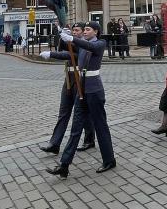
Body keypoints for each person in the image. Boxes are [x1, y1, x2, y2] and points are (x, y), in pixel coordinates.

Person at [41, 22, 116, 178]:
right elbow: (70, 55)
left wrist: (72, 39)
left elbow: (89, 47)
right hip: (81, 90)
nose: (86, 31)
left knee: (100, 126)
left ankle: (109, 160)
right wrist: (51, 54)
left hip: (94, 90)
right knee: (75, 129)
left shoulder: (99, 44)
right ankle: (64, 165)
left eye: (88, 29)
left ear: (96, 31)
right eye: (85, 29)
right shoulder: (83, 45)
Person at [39, 23, 95, 155]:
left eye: (77, 31)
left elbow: (70, 55)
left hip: (79, 79)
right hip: (68, 79)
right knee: (63, 112)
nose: (74, 33)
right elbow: (63, 48)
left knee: (83, 112)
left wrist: (51, 54)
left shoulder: (84, 45)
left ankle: (89, 139)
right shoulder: (72, 42)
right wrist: (60, 34)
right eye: (73, 31)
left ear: (83, 32)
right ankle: (55, 143)